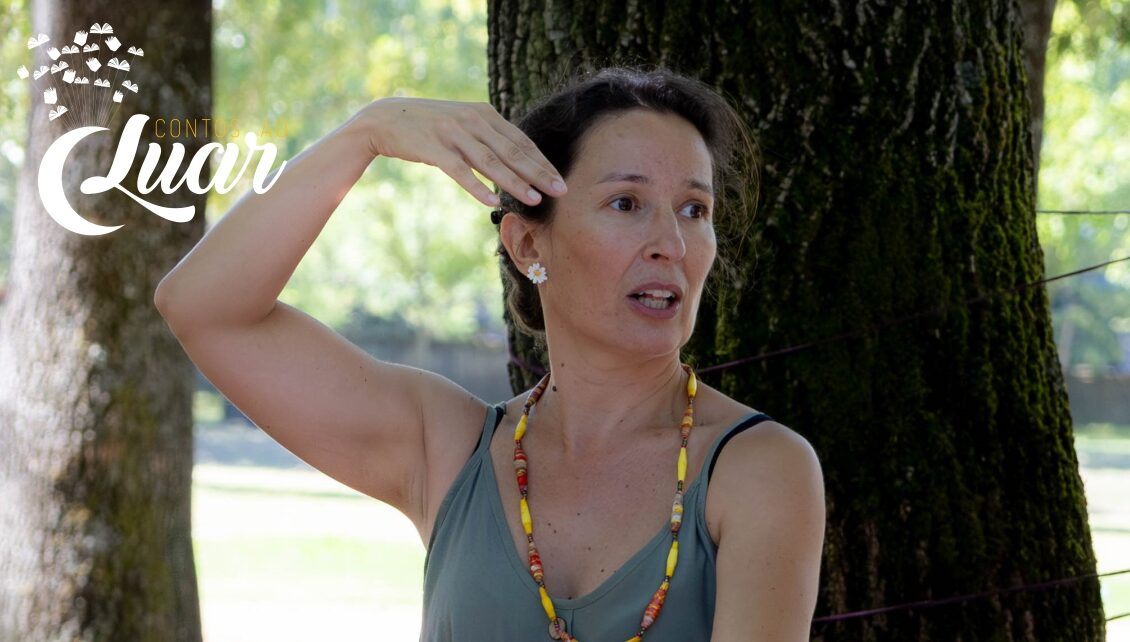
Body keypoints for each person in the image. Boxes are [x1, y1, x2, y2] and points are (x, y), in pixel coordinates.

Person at [154, 65, 825, 641]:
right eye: (626, 203)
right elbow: (204, 308)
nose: (671, 245)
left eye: (694, 210)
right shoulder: (446, 449)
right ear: (529, 245)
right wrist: (369, 131)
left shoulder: (758, 470)